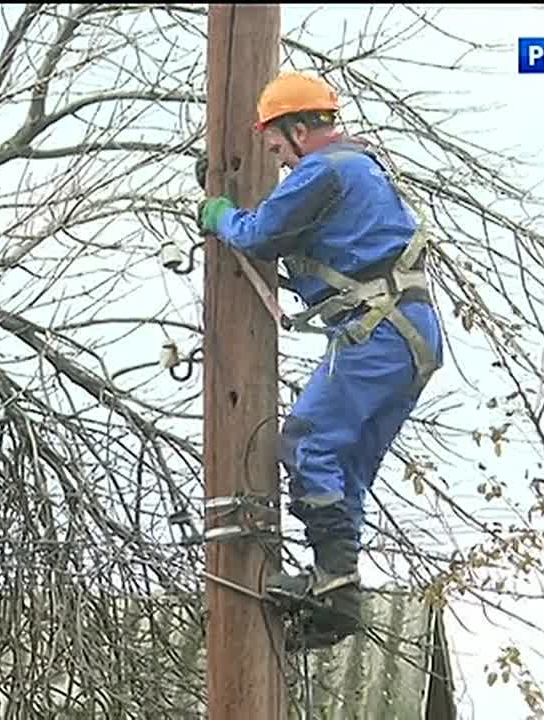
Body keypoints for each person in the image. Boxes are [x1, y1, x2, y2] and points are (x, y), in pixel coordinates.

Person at [194, 71, 445, 650]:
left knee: (307, 442)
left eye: (276, 145)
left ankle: (334, 581)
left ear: (300, 130)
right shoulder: (357, 170)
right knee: (344, 465)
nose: (278, 158)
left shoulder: (325, 171)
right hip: (409, 336)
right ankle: (338, 596)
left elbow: (258, 234)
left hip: (378, 333)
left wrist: (218, 213)